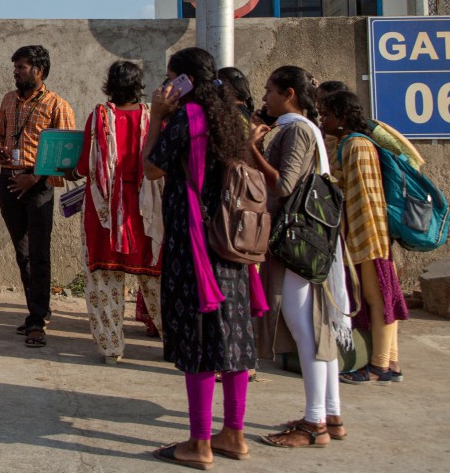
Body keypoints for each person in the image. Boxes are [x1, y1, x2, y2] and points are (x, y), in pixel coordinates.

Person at [143, 47, 263, 467]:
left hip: (192, 242)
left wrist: (156, 116)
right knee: (232, 336)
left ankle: (198, 442)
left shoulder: (185, 119)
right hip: (229, 243)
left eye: (170, 78)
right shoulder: (231, 118)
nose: (165, 86)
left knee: (197, 339)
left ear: (184, 81)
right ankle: (234, 433)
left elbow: (152, 168)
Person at [249, 66, 350, 448]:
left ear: (288, 93)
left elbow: (285, 184)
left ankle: (314, 423)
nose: (265, 98)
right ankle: (330, 414)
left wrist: (252, 150)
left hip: (299, 243)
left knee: (306, 327)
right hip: (314, 240)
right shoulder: (309, 131)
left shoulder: (295, 130)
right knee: (315, 325)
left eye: (270, 91)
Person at [69, 61, 162, 364]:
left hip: (104, 212)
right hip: (145, 212)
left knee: (105, 282)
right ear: (139, 85)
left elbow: (85, 165)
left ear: (110, 84)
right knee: (156, 280)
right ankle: (175, 343)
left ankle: (112, 349)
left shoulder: (100, 117)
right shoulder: (153, 118)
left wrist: (69, 171)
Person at [319, 90, 409, 384]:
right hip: (372, 235)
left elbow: (360, 197)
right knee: (381, 298)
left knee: (377, 299)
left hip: (368, 236)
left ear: (341, 119)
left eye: (327, 115)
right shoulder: (356, 143)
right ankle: (390, 362)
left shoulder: (355, 146)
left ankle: (379, 365)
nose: (323, 120)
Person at [0, 46, 75, 348]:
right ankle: (37, 311)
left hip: (38, 186)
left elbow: (65, 154)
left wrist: (35, 177)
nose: (16, 71)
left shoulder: (57, 106)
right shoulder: (8, 100)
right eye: (15, 66)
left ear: (39, 70)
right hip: (9, 180)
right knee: (22, 251)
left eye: (22, 67)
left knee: (38, 253)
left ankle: (37, 320)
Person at [316, 81, 425, 170]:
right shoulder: (327, 130)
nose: (318, 106)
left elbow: (409, 159)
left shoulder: (366, 131)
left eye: (323, 100)